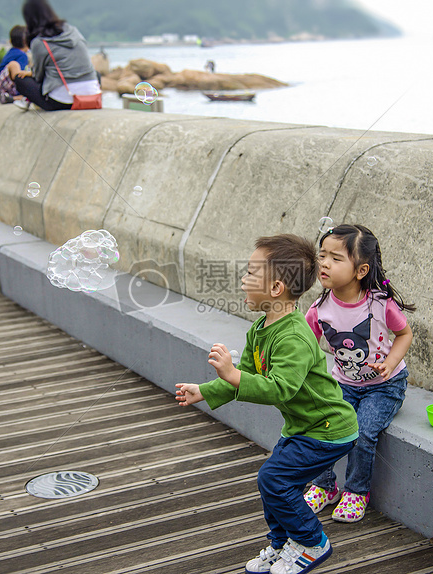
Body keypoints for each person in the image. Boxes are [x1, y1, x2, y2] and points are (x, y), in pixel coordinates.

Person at [176, 234, 359, 574]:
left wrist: (232, 375)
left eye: (250, 273)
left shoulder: (294, 336)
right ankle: (281, 544)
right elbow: (245, 374)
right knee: (274, 481)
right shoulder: (261, 328)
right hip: (304, 428)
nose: (243, 279)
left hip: (329, 430)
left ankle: (311, 541)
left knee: (273, 479)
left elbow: (279, 389)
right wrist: (206, 390)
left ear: (275, 288)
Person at [302, 224, 415, 523]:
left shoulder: (379, 303)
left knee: (363, 432)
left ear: (361, 270)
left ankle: (356, 491)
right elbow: (305, 348)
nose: (324, 263)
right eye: (322, 255)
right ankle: (324, 486)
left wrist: (390, 363)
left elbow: (404, 334)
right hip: (344, 384)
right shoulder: (319, 309)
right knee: (324, 425)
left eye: (336, 258)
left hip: (384, 386)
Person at [13, 0, 100, 111]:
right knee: (94, 73)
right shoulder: (73, 31)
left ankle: (26, 101)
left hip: (63, 101)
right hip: (92, 95)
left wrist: (30, 74)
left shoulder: (39, 42)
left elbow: (38, 77)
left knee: (20, 80)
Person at [0, 25, 29, 104]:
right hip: (4, 89)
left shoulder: (11, 52)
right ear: (25, 41)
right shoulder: (22, 55)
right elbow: (19, 76)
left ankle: (13, 98)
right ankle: (17, 97)